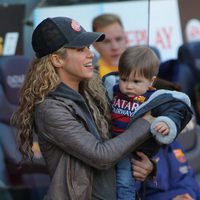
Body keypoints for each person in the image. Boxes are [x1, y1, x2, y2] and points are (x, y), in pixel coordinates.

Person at [11, 16, 160, 200]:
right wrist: (145, 123)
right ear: (57, 60)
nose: (91, 54)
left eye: (88, 48)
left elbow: (119, 140)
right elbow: (102, 156)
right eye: (81, 49)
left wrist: (149, 166)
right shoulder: (50, 109)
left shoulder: (95, 92)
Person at [110, 45, 192, 200]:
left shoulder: (154, 99)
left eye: (136, 81)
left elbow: (173, 112)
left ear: (151, 82)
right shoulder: (112, 90)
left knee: (125, 182)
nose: (128, 86)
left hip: (135, 151)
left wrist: (166, 123)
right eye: (123, 79)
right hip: (111, 147)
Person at [135, 78, 200, 200]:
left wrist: (188, 196)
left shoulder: (172, 143)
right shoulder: (137, 150)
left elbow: (188, 181)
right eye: (170, 114)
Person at [92, 13, 128, 78]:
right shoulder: (92, 79)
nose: (115, 47)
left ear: (126, 39)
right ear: (95, 45)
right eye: (107, 42)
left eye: (118, 39)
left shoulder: (145, 68)